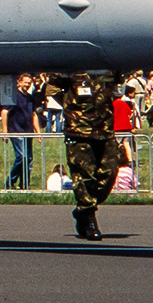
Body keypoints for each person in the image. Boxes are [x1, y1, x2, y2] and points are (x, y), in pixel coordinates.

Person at [42, 71, 121, 240]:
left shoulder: (107, 65)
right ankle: (89, 216)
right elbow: (52, 89)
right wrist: (73, 108)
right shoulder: (73, 64)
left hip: (105, 129)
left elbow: (115, 85)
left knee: (110, 173)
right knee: (84, 176)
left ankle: (83, 209)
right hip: (79, 130)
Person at [1, 73, 40, 189]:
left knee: (29, 159)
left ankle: (25, 184)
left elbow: (34, 115)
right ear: (19, 82)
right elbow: (4, 112)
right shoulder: (12, 96)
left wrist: (38, 132)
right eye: (25, 82)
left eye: (29, 83)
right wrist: (5, 131)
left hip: (28, 131)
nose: (27, 85)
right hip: (16, 131)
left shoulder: (30, 98)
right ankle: (10, 182)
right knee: (21, 157)